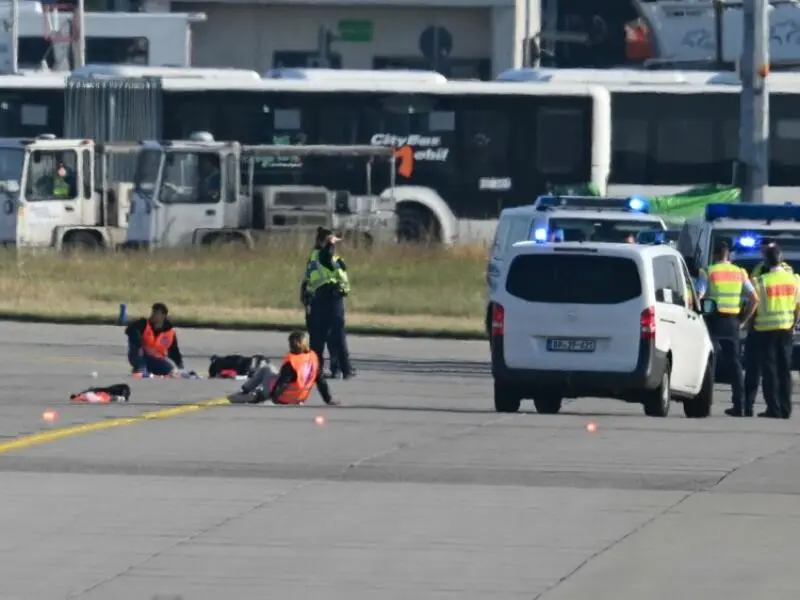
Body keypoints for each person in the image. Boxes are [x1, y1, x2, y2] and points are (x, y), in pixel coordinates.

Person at [704, 241, 759, 417]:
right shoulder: (740, 273)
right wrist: (742, 320)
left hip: (713, 320)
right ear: (728, 254)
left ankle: (704, 404)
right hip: (732, 322)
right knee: (735, 365)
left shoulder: (708, 271)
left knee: (708, 364)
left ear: (715, 254)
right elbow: (754, 299)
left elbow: (699, 295)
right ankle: (740, 406)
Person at [744, 241, 795, 410]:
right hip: (786, 327)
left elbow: (753, 302)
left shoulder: (760, 280)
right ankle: (785, 408)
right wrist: (794, 323)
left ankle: (774, 408)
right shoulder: (793, 278)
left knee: (771, 370)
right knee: (784, 369)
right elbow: (798, 306)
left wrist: (748, 323)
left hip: (765, 329)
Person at [228, 331, 338, 405]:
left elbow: (282, 383)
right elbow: (321, 381)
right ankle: (249, 390)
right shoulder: (312, 358)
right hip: (300, 397)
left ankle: (245, 390)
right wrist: (328, 399)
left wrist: (273, 397)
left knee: (267, 369)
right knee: (270, 370)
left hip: (284, 397)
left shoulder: (292, 362)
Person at [305, 229, 355, 379]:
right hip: (329, 297)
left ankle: (325, 369)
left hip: (319, 299)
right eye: (329, 241)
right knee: (335, 336)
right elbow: (327, 259)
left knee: (319, 337)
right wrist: (330, 243)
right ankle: (342, 369)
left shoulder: (315, 256)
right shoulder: (323, 255)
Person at [301, 227, 340, 374]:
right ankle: (321, 368)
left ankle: (322, 368)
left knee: (322, 338)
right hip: (319, 300)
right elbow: (308, 279)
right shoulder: (321, 256)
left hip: (320, 300)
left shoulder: (318, 255)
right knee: (322, 338)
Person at [125, 302, 184, 377]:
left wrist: (179, 364)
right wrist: (139, 344)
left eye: (156, 313)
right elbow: (130, 330)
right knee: (140, 365)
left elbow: (174, 350)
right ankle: (140, 368)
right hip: (140, 355)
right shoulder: (143, 323)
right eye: (152, 312)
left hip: (156, 359)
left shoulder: (170, 332)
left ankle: (148, 370)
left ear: (163, 316)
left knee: (171, 371)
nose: (152, 315)